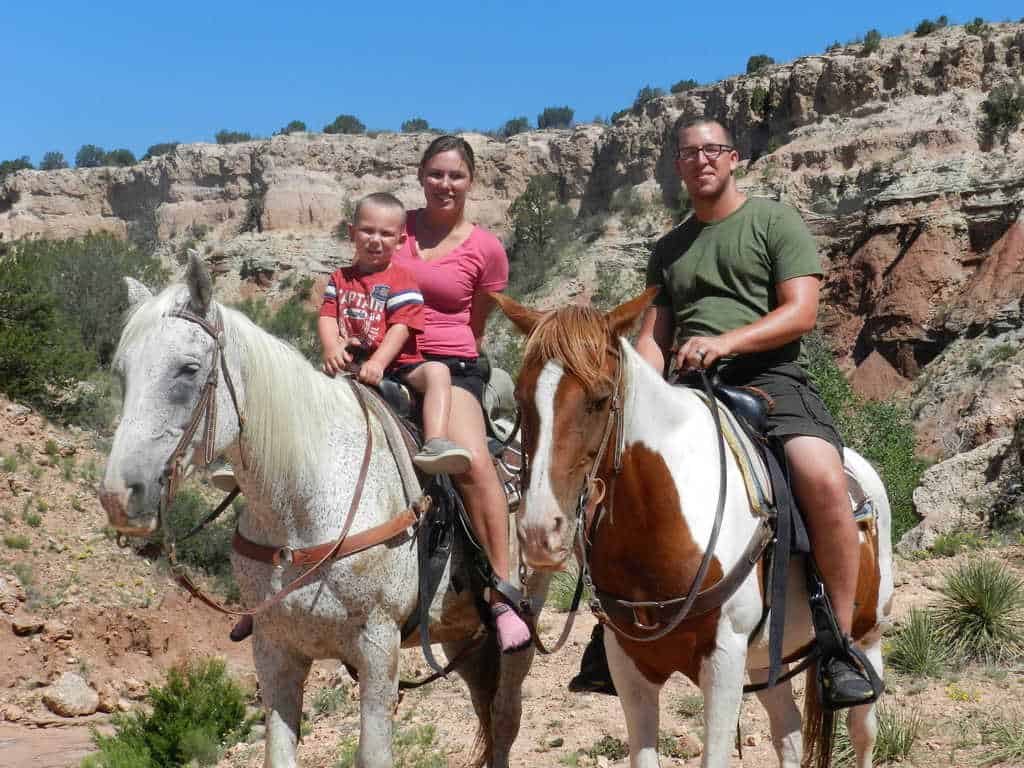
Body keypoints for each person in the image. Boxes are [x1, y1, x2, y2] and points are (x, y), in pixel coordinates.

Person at [569, 118, 876, 704]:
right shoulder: (669, 248)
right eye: (689, 152)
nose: (702, 160)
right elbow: (655, 338)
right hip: (687, 389)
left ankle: (840, 644)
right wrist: (631, 385)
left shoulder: (772, 221)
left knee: (819, 474)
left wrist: (728, 342)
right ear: (677, 166)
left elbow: (801, 311)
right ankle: (609, 628)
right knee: (610, 480)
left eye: (712, 150)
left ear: (734, 159)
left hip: (769, 380)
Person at [392, 135, 531, 654]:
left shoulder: (486, 249)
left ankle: (502, 591)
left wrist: (443, 350)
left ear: (470, 182)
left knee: (471, 460)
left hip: (451, 367)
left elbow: (477, 319)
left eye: (455, 176)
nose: (444, 184)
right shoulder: (395, 227)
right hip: (385, 359)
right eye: (435, 174)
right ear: (420, 176)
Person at [320, 191, 471, 475]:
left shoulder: (401, 280)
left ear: (400, 241)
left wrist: (378, 362)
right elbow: (328, 315)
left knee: (437, 372)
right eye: (367, 230)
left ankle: (435, 440)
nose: (375, 240)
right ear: (352, 233)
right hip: (351, 363)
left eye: (386, 234)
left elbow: (401, 327)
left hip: (399, 365)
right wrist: (331, 348)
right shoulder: (339, 278)